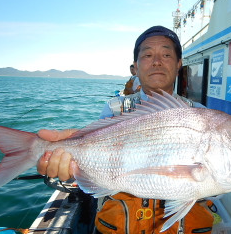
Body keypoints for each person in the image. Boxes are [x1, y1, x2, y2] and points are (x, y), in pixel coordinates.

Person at [37, 26, 213, 233]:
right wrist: (74, 160)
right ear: (136, 67)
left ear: (178, 65)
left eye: (166, 54)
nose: (157, 61)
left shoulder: (200, 115)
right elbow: (99, 160)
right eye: (147, 55)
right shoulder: (114, 108)